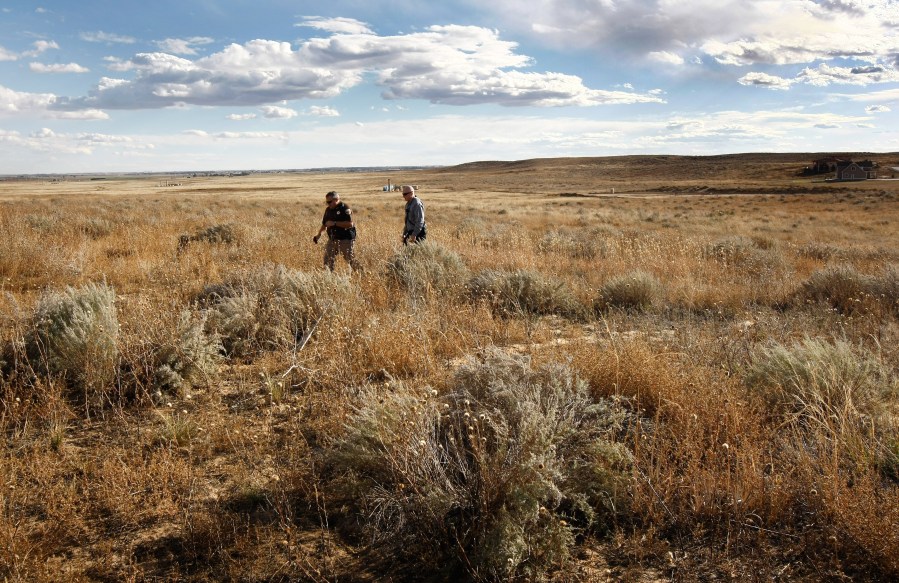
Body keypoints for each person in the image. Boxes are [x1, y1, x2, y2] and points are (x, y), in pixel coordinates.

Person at [313, 191, 361, 271]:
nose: (328, 204)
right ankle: (329, 278)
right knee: (327, 261)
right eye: (326, 202)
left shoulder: (345, 208)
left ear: (336, 199)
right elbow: (325, 224)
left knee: (351, 260)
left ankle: (361, 274)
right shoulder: (328, 210)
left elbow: (350, 224)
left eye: (329, 202)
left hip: (345, 240)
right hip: (332, 239)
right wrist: (318, 235)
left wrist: (334, 223)